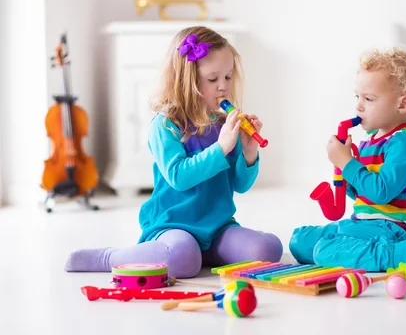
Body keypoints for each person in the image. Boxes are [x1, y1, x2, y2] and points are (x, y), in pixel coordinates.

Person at [64, 26, 283, 278]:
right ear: (187, 81)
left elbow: (240, 185)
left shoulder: (223, 126)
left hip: (217, 226)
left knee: (268, 249)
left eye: (228, 76)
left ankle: (206, 253)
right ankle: (110, 257)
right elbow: (179, 177)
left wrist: (248, 152)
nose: (223, 86)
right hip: (174, 224)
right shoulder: (165, 125)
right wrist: (221, 148)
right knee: (182, 260)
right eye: (213, 79)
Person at [289, 47, 406, 273]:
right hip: (364, 224)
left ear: (402, 104)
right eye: (357, 96)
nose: (359, 106)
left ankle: (397, 255)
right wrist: (344, 168)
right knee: (299, 240)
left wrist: (348, 164)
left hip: (393, 228)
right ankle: (355, 251)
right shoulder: (370, 139)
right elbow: (361, 193)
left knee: (322, 251)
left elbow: (380, 192)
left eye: (369, 99)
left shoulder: (405, 144)